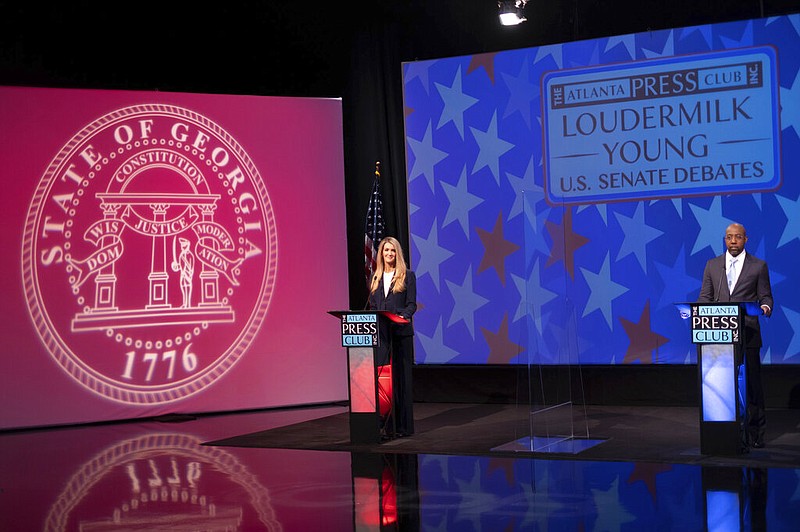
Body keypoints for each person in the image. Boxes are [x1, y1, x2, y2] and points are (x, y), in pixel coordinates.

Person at [698, 222, 773, 449]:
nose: (733, 241)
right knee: (722, 386)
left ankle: (755, 433)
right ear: (725, 239)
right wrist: (695, 313)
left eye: (737, 237)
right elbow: (704, 298)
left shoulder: (758, 266)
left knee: (752, 387)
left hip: (748, 333)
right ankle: (726, 432)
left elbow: (766, 297)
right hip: (719, 338)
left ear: (745, 239)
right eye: (729, 237)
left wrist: (765, 308)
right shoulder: (713, 265)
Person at [368, 236, 417, 438]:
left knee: (401, 380)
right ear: (381, 254)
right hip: (382, 335)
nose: (389, 254)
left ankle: (403, 427)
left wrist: (402, 317)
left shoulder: (407, 275)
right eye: (386, 251)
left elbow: (411, 305)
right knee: (383, 383)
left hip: (400, 334)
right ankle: (384, 424)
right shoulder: (376, 277)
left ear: (397, 253)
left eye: (392, 251)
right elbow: (372, 307)